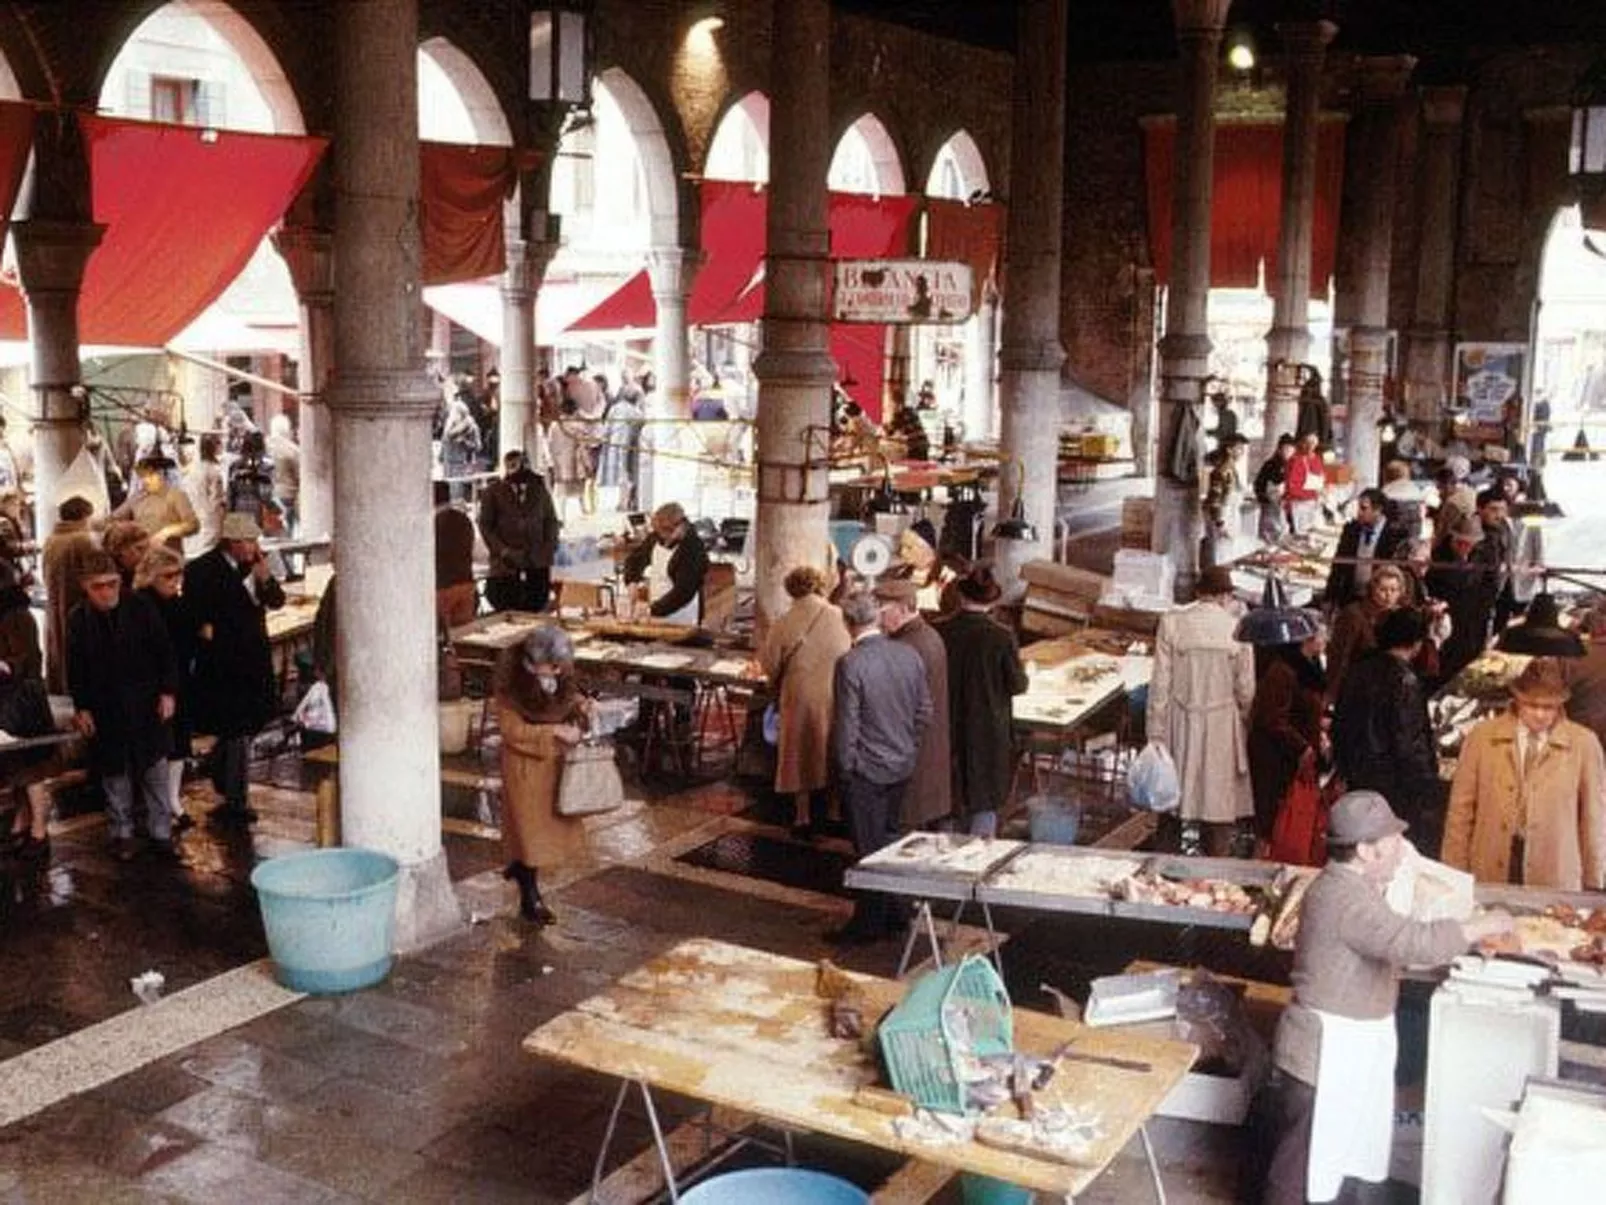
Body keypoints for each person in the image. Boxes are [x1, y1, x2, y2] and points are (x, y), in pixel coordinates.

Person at [1260, 791, 1512, 1205]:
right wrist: (1484, 924)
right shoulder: (1347, 897)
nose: (1402, 851)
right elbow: (1412, 941)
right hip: (1322, 1057)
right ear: (1365, 850)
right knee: (1298, 1174)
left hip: (1338, 1052)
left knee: (1327, 1166)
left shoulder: (1349, 886)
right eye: (1393, 842)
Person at [1443, 657, 1606, 891]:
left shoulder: (1584, 744)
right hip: (1491, 863)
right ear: (1516, 700)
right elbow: (1460, 810)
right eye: (1531, 705)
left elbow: (1595, 816)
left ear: (1561, 704)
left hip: (1555, 868)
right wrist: (1453, 872)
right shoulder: (1481, 738)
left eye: (1548, 707)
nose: (1540, 714)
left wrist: (1594, 878)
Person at [830, 590, 931, 943]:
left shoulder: (850, 664)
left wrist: (846, 767)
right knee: (889, 841)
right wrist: (908, 750)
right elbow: (924, 712)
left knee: (868, 849)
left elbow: (847, 726)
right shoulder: (909, 655)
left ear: (848, 623)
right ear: (875, 617)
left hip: (866, 772)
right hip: (902, 765)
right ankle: (897, 912)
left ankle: (868, 925)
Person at [66, 550, 179, 861]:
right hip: (107, 706)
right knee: (115, 774)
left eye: (112, 584)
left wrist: (168, 692)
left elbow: (165, 651)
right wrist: (82, 707)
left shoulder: (140, 606)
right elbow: (76, 668)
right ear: (85, 588)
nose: (106, 592)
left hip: (146, 701)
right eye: (98, 587)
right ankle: (122, 833)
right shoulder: (79, 618)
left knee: (155, 770)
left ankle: (161, 833)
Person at [184, 512, 285, 825]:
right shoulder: (201, 569)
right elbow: (196, 615)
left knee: (248, 723)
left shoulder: (256, 565)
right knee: (236, 726)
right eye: (248, 541)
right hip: (223, 662)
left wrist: (264, 577)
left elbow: (277, 601)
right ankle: (236, 799)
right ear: (232, 542)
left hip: (253, 656)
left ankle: (220, 769)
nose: (253, 546)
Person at [1148, 566, 1255, 856]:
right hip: (1222, 725)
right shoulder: (1238, 629)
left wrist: (1156, 733)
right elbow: (1245, 689)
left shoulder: (1172, 624)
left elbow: (1160, 685)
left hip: (1179, 720)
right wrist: (1244, 720)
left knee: (1172, 802)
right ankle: (1213, 877)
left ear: (1198, 593)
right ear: (1226, 596)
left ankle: (1163, 873)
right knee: (1217, 807)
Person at [495, 625, 591, 926]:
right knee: (529, 834)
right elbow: (512, 732)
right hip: (525, 771)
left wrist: (582, 710)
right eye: (553, 666)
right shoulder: (512, 688)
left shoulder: (560, 679)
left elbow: (569, 703)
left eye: (560, 667)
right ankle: (529, 895)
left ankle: (521, 869)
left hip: (554, 768)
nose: (558, 671)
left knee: (539, 833)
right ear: (535, 662)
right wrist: (553, 731)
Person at [1331, 608, 1443, 853]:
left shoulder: (1358, 671)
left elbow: (1339, 724)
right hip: (1393, 787)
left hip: (1357, 777)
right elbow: (1409, 743)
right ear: (1416, 643)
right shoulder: (1405, 681)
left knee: (1360, 847)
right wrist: (1428, 786)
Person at [759, 565, 851, 836]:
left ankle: (803, 815)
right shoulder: (840, 616)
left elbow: (770, 665)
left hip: (799, 696)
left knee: (800, 753)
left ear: (790, 590)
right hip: (837, 693)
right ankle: (834, 810)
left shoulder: (783, 623)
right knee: (831, 748)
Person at [941, 564, 1028, 837]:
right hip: (988, 727)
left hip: (948, 722)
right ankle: (978, 856)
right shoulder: (1001, 636)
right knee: (984, 798)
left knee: (949, 794)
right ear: (992, 601)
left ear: (962, 596)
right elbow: (1017, 684)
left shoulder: (941, 631)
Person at [876, 575, 953, 833]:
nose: (879, 619)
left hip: (910, 757)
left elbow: (893, 707)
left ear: (901, 609)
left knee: (904, 834)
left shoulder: (905, 648)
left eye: (882, 611)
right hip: (929, 753)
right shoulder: (930, 636)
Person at [1247, 618, 1327, 846]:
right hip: (1276, 757)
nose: (1326, 641)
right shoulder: (1283, 670)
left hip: (1293, 754)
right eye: (1322, 636)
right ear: (1310, 639)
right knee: (1272, 819)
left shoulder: (1309, 668)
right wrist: (1301, 746)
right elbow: (1273, 718)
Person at [136, 545, 198, 835]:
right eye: (168, 576)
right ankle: (162, 805)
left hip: (179, 682)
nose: (175, 581)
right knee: (162, 745)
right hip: (156, 686)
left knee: (178, 743)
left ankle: (172, 800)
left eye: (178, 575)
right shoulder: (142, 605)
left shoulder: (176, 603)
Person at [0, 557, 57, 858]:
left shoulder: (16, 615)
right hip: (10, 697)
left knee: (29, 767)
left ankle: (38, 829)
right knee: (15, 767)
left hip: (21, 700)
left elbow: (27, 660)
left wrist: (4, 666)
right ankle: (22, 824)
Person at [1325, 563, 1442, 704]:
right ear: (1372, 588)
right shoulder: (1353, 615)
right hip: (1356, 686)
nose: (1388, 595)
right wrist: (1333, 694)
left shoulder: (1399, 615)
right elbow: (1339, 657)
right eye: (1383, 589)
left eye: (1394, 590)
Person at [478, 450, 561, 614]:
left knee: (536, 603)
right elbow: (485, 526)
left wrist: (549, 546)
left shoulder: (539, 490)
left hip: (536, 561)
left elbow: (551, 520)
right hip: (506, 564)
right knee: (505, 603)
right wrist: (503, 550)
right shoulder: (493, 492)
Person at [1425, 515, 1498, 686]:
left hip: (1474, 619)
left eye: (1469, 544)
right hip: (1447, 619)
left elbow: (1491, 585)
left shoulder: (1485, 554)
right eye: (1460, 543)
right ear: (1453, 538)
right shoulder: (1439, 555)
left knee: (1469, 662)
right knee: (1445, 665)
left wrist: (1483, 610)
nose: (1464, 548)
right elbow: (1433, 587)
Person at [41, 496, 99, 694]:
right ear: (84, 517)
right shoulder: (83, 540)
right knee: (78, 647)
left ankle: (60, 684)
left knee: (58, 644)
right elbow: (95, 572)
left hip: (55, 601)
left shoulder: (51, 540)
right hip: (77, 601)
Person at [622, 502, 709, 627]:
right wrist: (631, 581)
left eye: (668, 532)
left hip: (683, 617)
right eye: (660, 532)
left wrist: (652, 610)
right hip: (656, 614)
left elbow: (683, 592)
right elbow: (635, 560)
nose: (664, 538)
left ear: (681, 525)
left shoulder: (693, 549)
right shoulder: (656, 538)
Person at [1322, 488, 1409, 608]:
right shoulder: (1351, 529)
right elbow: (1338, 566)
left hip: (1379, 600)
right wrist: (1329, 597)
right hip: (1351, 597)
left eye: (1364, 508)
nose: (1359, 513)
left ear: (1377, 510)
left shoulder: (1395, 535)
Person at [110, 453, 199, 552]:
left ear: (161, 474)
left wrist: (167, 531)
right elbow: (114, 518)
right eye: (143, 476)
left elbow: (193, 525)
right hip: (143, 556)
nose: (146, 480)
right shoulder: (137, 497)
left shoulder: (176, 495)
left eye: (150, 475)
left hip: (169, 557)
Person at [595, 378, 645, 513]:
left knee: (619, 475)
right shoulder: (637, 412)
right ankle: (626, 502)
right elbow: (641, 428)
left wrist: (602, 439)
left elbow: (606, 428)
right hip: (631, 448)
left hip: (613, 446)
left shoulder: (615, 408)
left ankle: (622, 502)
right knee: (628, 474)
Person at [433, 480, 478, 630]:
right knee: (464, 636)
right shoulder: (464, 519)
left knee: (444, 637)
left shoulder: (433, 524)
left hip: (443, 587)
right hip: (466, 582)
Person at [183, 434, 228, 557]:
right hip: (211, 521)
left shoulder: (192, 469)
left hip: (196, 516)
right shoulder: (214, 471)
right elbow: (217, 500)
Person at [440, 386, 482, 501]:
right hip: (448, 463)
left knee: (458, 495)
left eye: (456, 413)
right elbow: (445, 441)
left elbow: (478, 446)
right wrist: (441, 456)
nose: (453, 416)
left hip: (462, 464)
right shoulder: (448, 427)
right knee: (447, 493)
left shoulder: (471, 427)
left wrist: (465, 442)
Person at [1253, 434, 1295, 544]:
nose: (1288, 452)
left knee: (1285, 537)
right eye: (1286, 448)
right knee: (1269, 538)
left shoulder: (1293, 465)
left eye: (1291, 449)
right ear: (1279, 449)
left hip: (1287, 507)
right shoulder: (1270, 464)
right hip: (1271, 507)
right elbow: (1258, 484)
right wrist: (1265, 498)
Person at [1283, 433, 1326, 535]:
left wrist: (1323, 492)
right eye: (1308, 443)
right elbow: (1291, 487)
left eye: (1313, 444)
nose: (1310, 446)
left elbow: (1321, 479)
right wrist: (1312, 494)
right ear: (1302, 444)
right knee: (1301, 535)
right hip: (1299, 504)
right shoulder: (1295, 460)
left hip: (1314, 504)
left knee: (1315, 533)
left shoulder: (1317, 460)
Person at [266, 414, 300, 535]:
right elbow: (300, 475)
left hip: (266, 494)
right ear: (287, 430)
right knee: (286, 531)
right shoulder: (293, 450)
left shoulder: (265, 446)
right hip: (287, 495)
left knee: (268, 529)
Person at [102, 521, 151, 590]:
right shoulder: (108, 579)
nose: (146, 554)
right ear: (121, 549)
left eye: (148, 548)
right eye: (140, 549)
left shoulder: (140, 571)